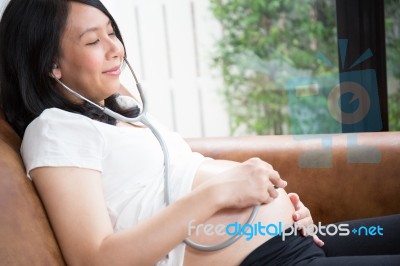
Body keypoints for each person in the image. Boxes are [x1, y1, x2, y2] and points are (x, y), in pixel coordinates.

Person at [0, 0, 398, 265]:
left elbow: (175, 178)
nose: (115, 48)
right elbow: (95, 258)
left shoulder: (114, 114)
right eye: (93, 40)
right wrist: (222, 192)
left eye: (111, 32)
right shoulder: (54, 130)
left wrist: (282, 207)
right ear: (51, 64)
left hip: (294, 240)